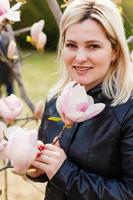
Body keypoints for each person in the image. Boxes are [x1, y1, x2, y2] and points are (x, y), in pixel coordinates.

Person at [27, 0, 133, 199]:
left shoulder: (128, 109)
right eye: (71, 45)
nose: (80, 57)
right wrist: (35, 166)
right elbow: (50, 172)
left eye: (93, 46)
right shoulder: (55, 101)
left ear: (115, 51)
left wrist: (64, 173)